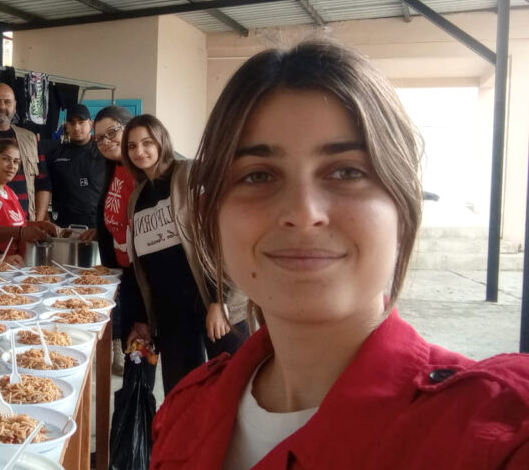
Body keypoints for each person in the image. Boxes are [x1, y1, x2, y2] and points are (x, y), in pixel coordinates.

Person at [152, 41, 529, 469]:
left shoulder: (492, 429)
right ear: (212, 214)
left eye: (347, 172)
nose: (303, 213)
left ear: (402, 205)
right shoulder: (184, 412)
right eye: (257, 175)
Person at [123, 114, 247, 395]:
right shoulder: (137, 196)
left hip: (211, 304)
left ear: (161, 142)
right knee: (182, 395)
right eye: (132, 146)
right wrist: (144, 318)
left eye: (147, 142)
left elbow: (222, 235)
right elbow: (140, 262)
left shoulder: (190, 174)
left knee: (231, 389)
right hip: (172, 314)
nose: (139, 151)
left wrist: (220, 300)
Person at [78, 105, 135, 375]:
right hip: (120, 269)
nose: (106, 142)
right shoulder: (113, 168)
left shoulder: (142, 171)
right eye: (99, 138)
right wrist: (101, 231)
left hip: (142, 277)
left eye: (112, 132)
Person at [0, 83, 51, 220]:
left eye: (7, 102)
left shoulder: (30, 139)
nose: (1, 107)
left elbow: (43, 181)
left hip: (26, 224)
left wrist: (38, 221)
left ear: (14, 106)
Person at [0, 138, 59, 257]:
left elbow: (17, 224)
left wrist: (40, 225)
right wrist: (22, 232)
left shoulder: (10, 192)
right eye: (6, 159)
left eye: (16, 161)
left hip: (16, 263)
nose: (12, 166)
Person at [42, 103, 107, 228]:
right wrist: (44, 215)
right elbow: (43, 186)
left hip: (97, 223)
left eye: (81, 122)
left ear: (91, 124)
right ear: (67, 127)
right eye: (72, 123)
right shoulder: (55, 154)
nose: (76, 127)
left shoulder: (103, 153)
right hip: (63, 223)